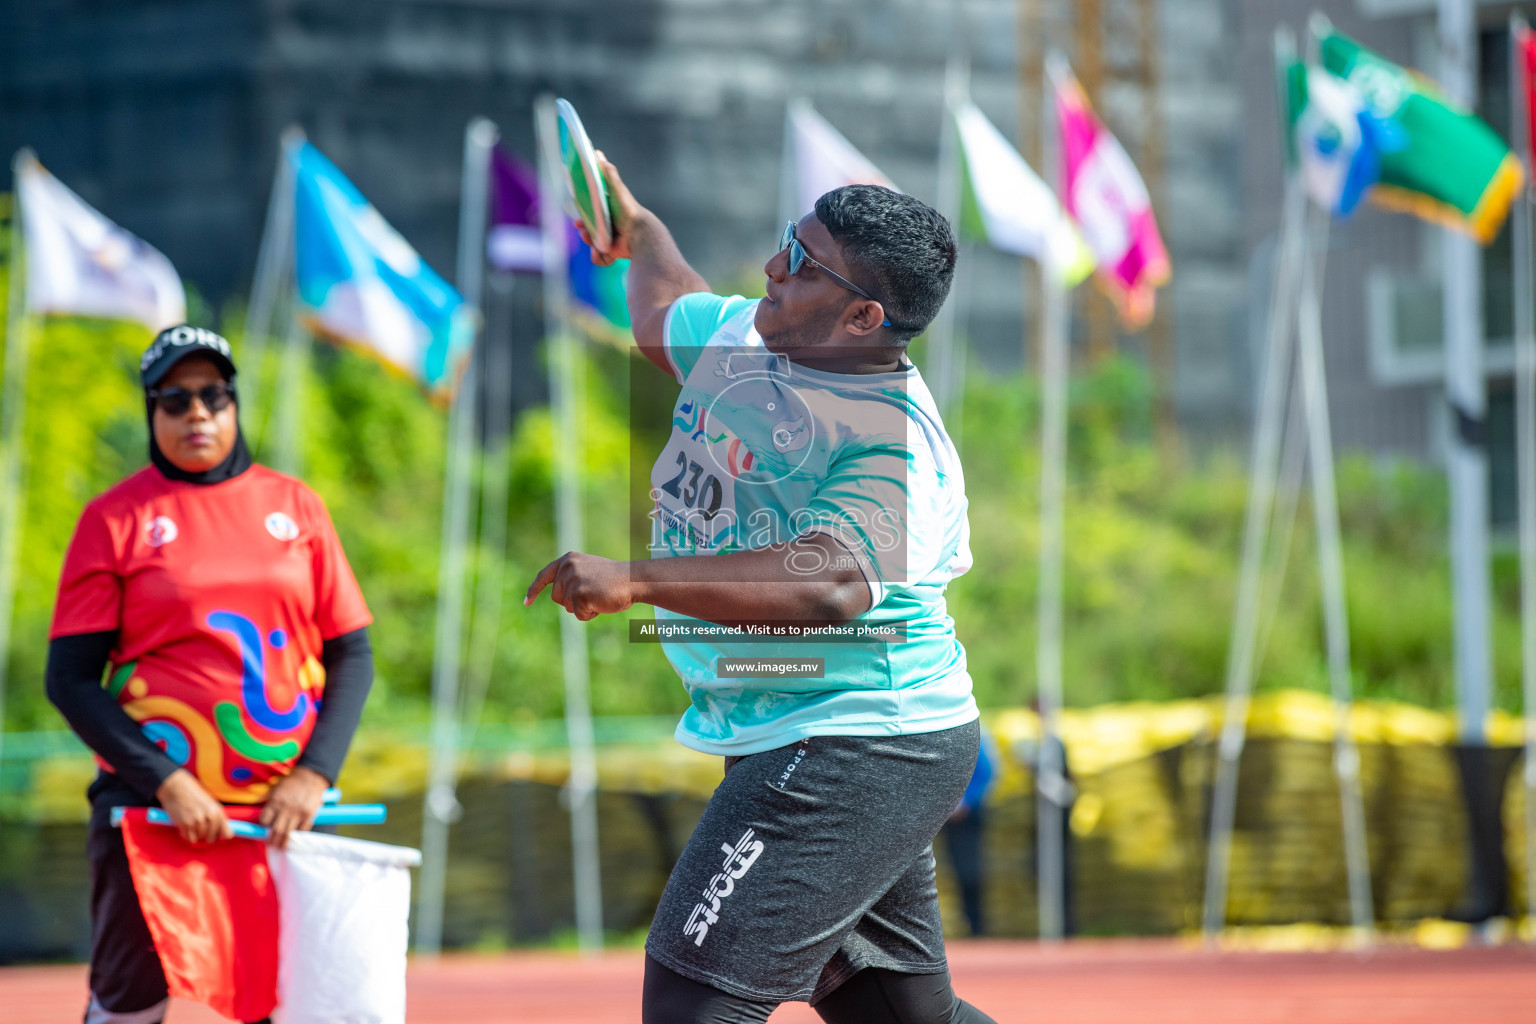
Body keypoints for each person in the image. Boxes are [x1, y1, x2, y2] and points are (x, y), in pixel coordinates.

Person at [526, 154, 996, 1024]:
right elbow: (666, 307)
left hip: (858, 740)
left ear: (862, 316)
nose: (774, 268)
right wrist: (641, 233)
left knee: (693, 1004)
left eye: (804, 266)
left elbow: (829, 587)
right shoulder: (749, 336)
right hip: (827, 731)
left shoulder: (891, 441)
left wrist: (635, 581)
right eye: (790, 241)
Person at [46, 325, 375, 1024]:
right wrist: (165, 781)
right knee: (128, 1010)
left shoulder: (298, 507)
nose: (197, 412)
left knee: (283, 1006)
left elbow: (353, 651)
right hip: (152, 817)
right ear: (151, 411)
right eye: (175, 399)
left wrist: (313, 774)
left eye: (213, 395)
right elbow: (70, 679)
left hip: (282, 819)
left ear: (233, 405)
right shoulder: (114, 520)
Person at [941, 729, 997, 937]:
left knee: (969, 871)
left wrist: (965, 802)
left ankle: (976, 927)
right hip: (943, 813)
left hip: (967, 815)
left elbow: (986, 773)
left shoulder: (977, 736)